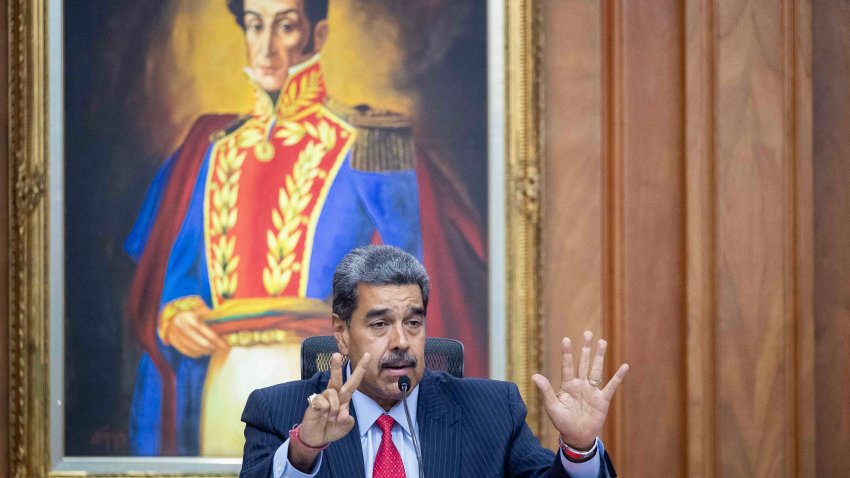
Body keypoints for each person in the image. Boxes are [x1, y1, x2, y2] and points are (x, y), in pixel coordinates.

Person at [124, 0, 430, 456]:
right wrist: (178, 314)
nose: (265, 47)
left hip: (325, 383)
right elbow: (180, 272)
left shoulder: (366, 143)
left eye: (284, 26)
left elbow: (414, 277)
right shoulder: (214, 150)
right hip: (220, 382)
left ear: (317, 36)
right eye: (255, 25)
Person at [240, 245, 630, 477]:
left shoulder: (492, 412)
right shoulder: (277, 411)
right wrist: (304, 449)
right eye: (380, 324)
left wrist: (579, 449)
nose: (401, 342)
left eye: (413, 322)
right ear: (341, 331)